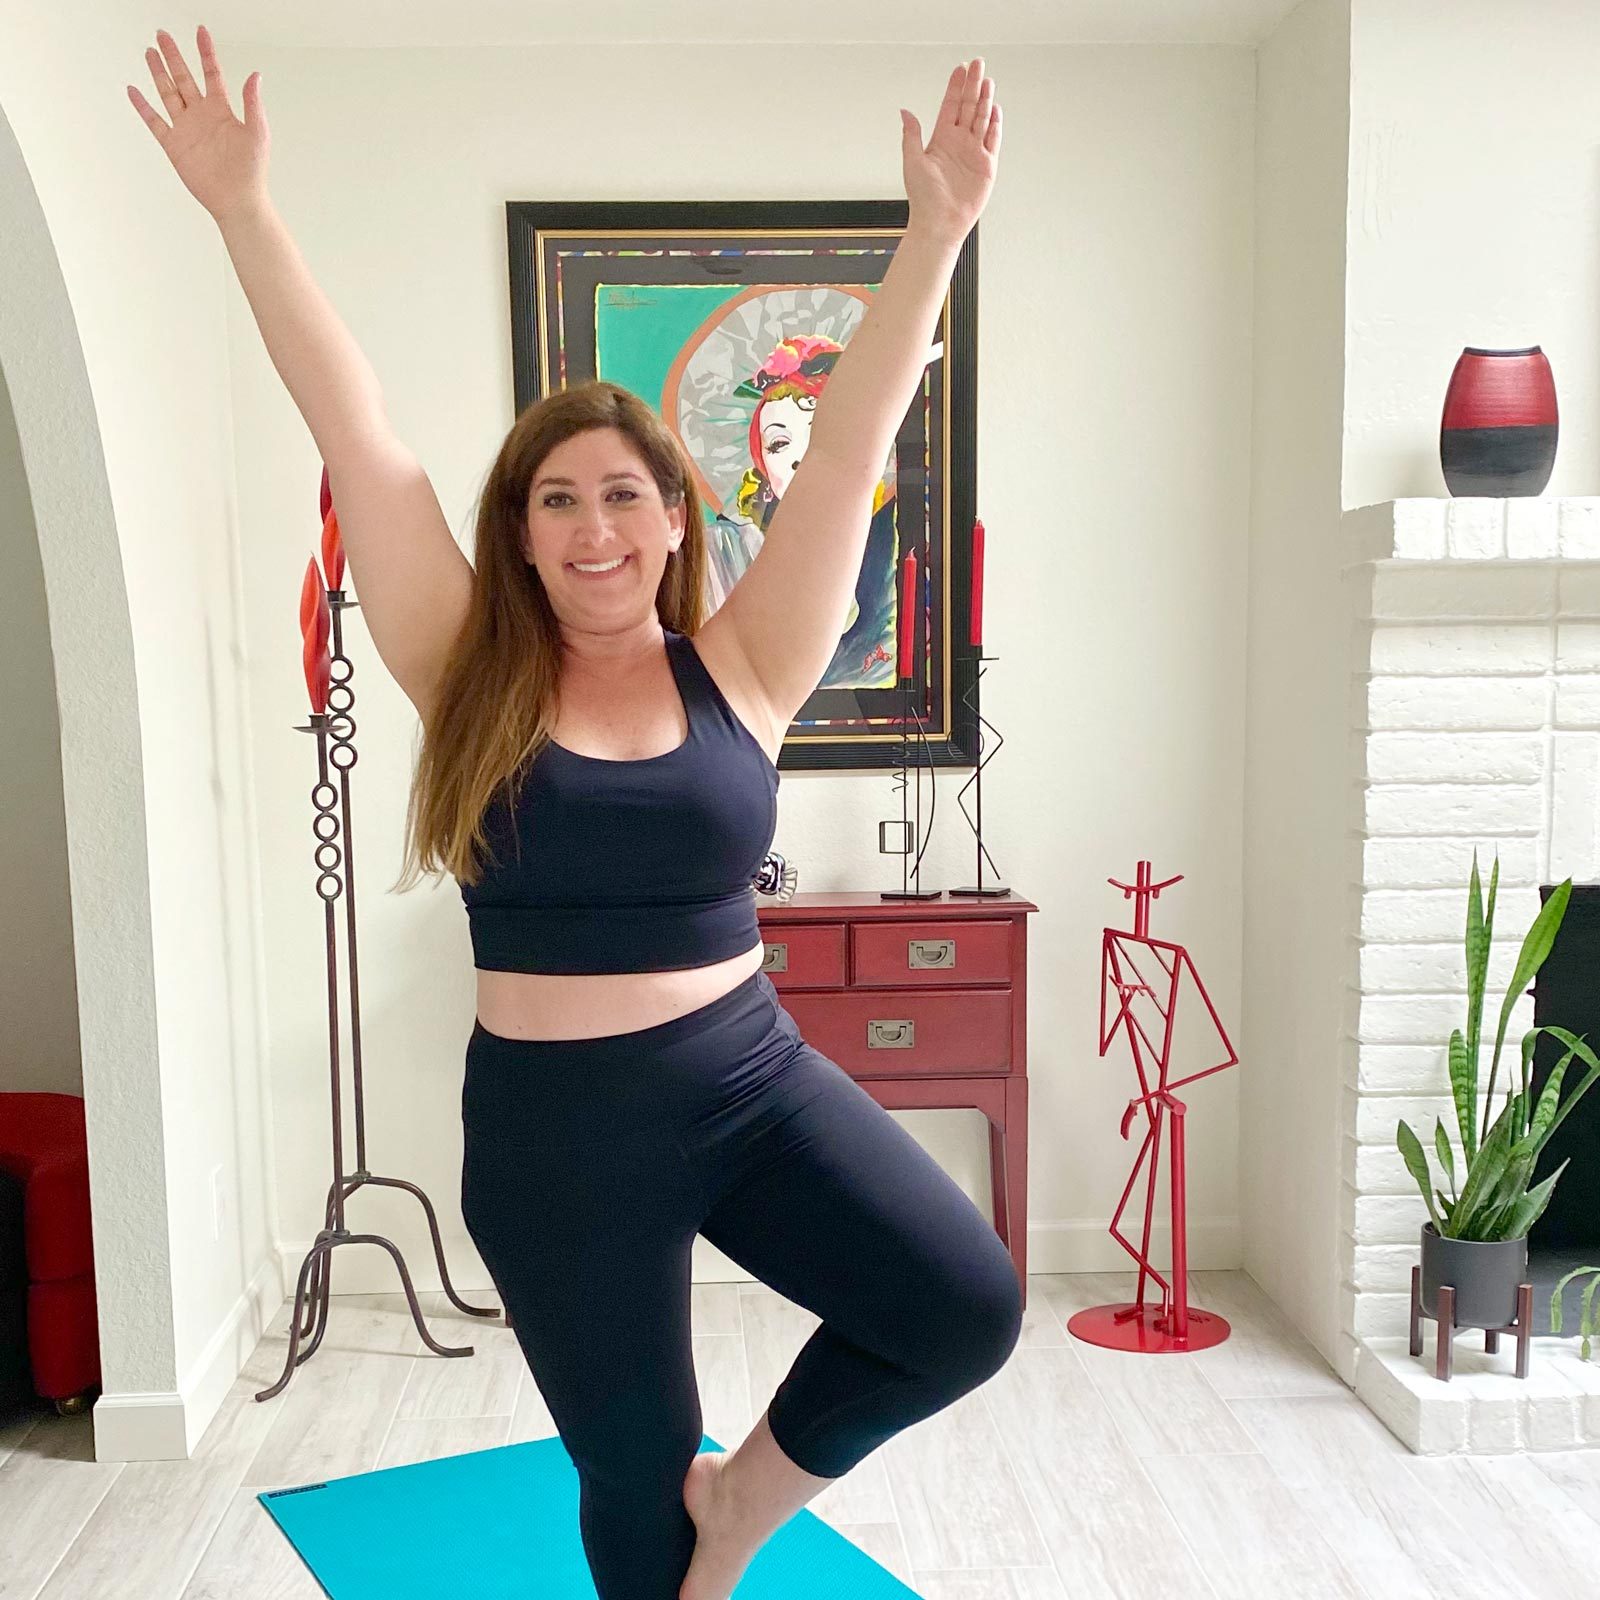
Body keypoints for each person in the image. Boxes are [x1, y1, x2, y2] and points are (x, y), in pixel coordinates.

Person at [129, 28, 1015, 1600]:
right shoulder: (465, 670)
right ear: (521, 537)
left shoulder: (745, 662)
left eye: (623, 493)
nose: (594, 526)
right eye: (557, 499)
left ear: (675, 518)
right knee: (624, 1489)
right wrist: (241, 211)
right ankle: (687, 1531)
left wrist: (935, 230)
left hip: (748, 1081)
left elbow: (858, 445)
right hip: (551, 1141)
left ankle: (744, 1507)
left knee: (962, 1302)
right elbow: (364, 440)